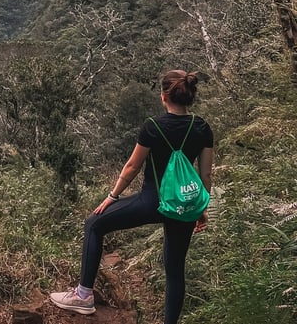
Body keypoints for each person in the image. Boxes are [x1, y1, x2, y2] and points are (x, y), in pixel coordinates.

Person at [50, 70, 213, 324]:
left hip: (151, 202)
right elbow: (205, 175)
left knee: (94, 223)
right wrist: (201, 208)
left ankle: (83, 296)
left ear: (163, 97)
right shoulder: (202, 127)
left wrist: (112, 197)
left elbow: (131, 167)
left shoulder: (153, 126)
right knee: (175, 271)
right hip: (184, 205)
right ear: (189, 96)